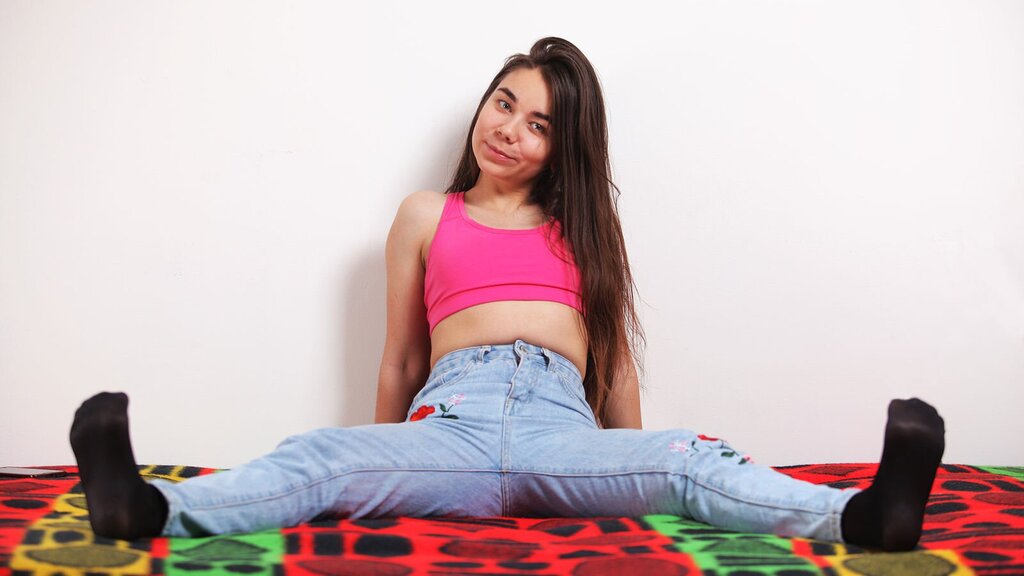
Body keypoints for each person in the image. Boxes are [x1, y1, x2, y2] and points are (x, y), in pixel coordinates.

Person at [69, 37, 945, 552]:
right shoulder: (426, 214)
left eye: (538, 125)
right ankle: (145, 506)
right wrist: (383, 447)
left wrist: (631, 467)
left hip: (564, 436)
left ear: (563, 149)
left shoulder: (587, 232)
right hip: (447, 427)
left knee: (691, 458)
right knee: (320, 457)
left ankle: (866, 517)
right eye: (503, 103)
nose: (509, 130)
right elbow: (402, 358)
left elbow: (614, 372)